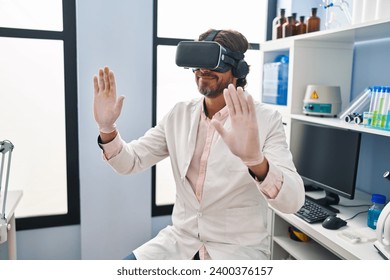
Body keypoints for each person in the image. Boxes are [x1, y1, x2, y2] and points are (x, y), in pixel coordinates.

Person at [92, 29, 305, 260]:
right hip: (179, 242)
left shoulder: (266, 120)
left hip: (235, 251)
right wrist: (107, 129)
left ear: (238, 69)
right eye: (198, 61)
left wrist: (256, 161)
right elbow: (130, 163)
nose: (203, 70)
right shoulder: (179, 115)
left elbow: (292, 202)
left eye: (212, 62)